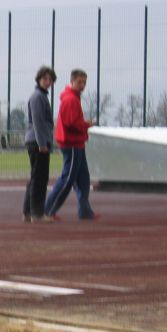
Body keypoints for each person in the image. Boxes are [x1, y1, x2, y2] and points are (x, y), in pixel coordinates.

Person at [44, 68, 98, 220]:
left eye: (84, 82)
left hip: (77, 143)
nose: (83, 85)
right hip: (72, 144)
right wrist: (87, 124)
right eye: (80, 82)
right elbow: (70, 123)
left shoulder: (73, 98)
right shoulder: (70, 100)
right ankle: (48, 210)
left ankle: (85, 211)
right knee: (67, 179)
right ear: (72, 81)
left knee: (83, 179)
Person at [22, 65, 55, 223]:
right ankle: (37, 214)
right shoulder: (37, 97)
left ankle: (28, 212)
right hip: (37, 142)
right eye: (45, 78)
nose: (48, 82)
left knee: (36, 177)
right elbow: (38, 122)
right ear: (38, 79)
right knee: (40, 179)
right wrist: (42, 144)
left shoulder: (41, 96)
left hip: (37, 140)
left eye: (50, 79)